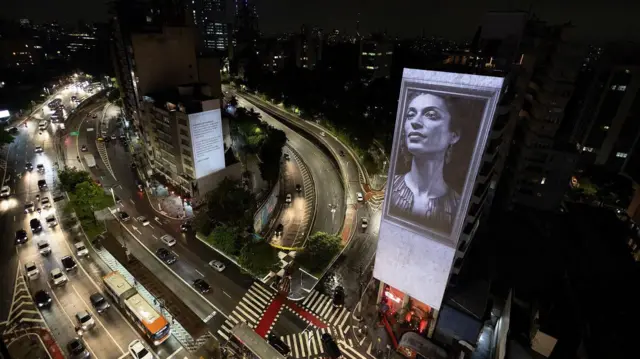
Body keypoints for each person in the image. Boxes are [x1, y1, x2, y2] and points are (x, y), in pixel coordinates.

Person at [388, 91, 461, 234]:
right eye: (410, 115)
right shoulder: (388, 188)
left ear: (454, 135)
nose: (414, 122)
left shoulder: (458, 208)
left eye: (431, 115)